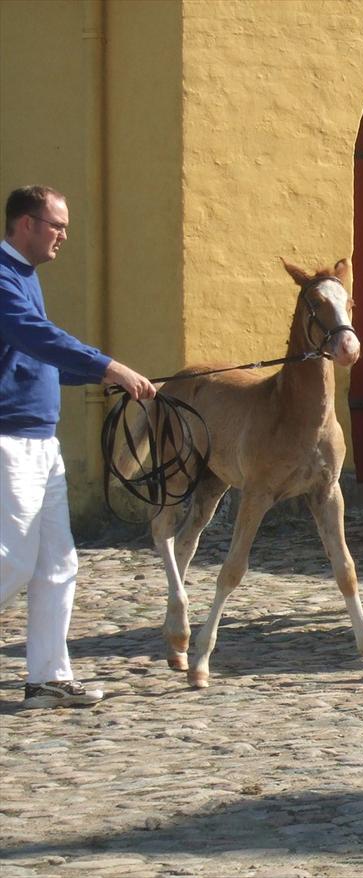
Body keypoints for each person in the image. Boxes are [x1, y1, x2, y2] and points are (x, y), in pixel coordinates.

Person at [1, 185, 156, 708]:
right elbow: (34, 336)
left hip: (41, 444)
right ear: (25, 223)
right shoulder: (2, 278)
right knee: (11, 562)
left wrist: (97, 378)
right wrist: (108, 365)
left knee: (57, 564)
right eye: (55, 225)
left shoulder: (25, 277)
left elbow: (34, 357)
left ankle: (46, 678)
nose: (64, 235)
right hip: (9, 443)